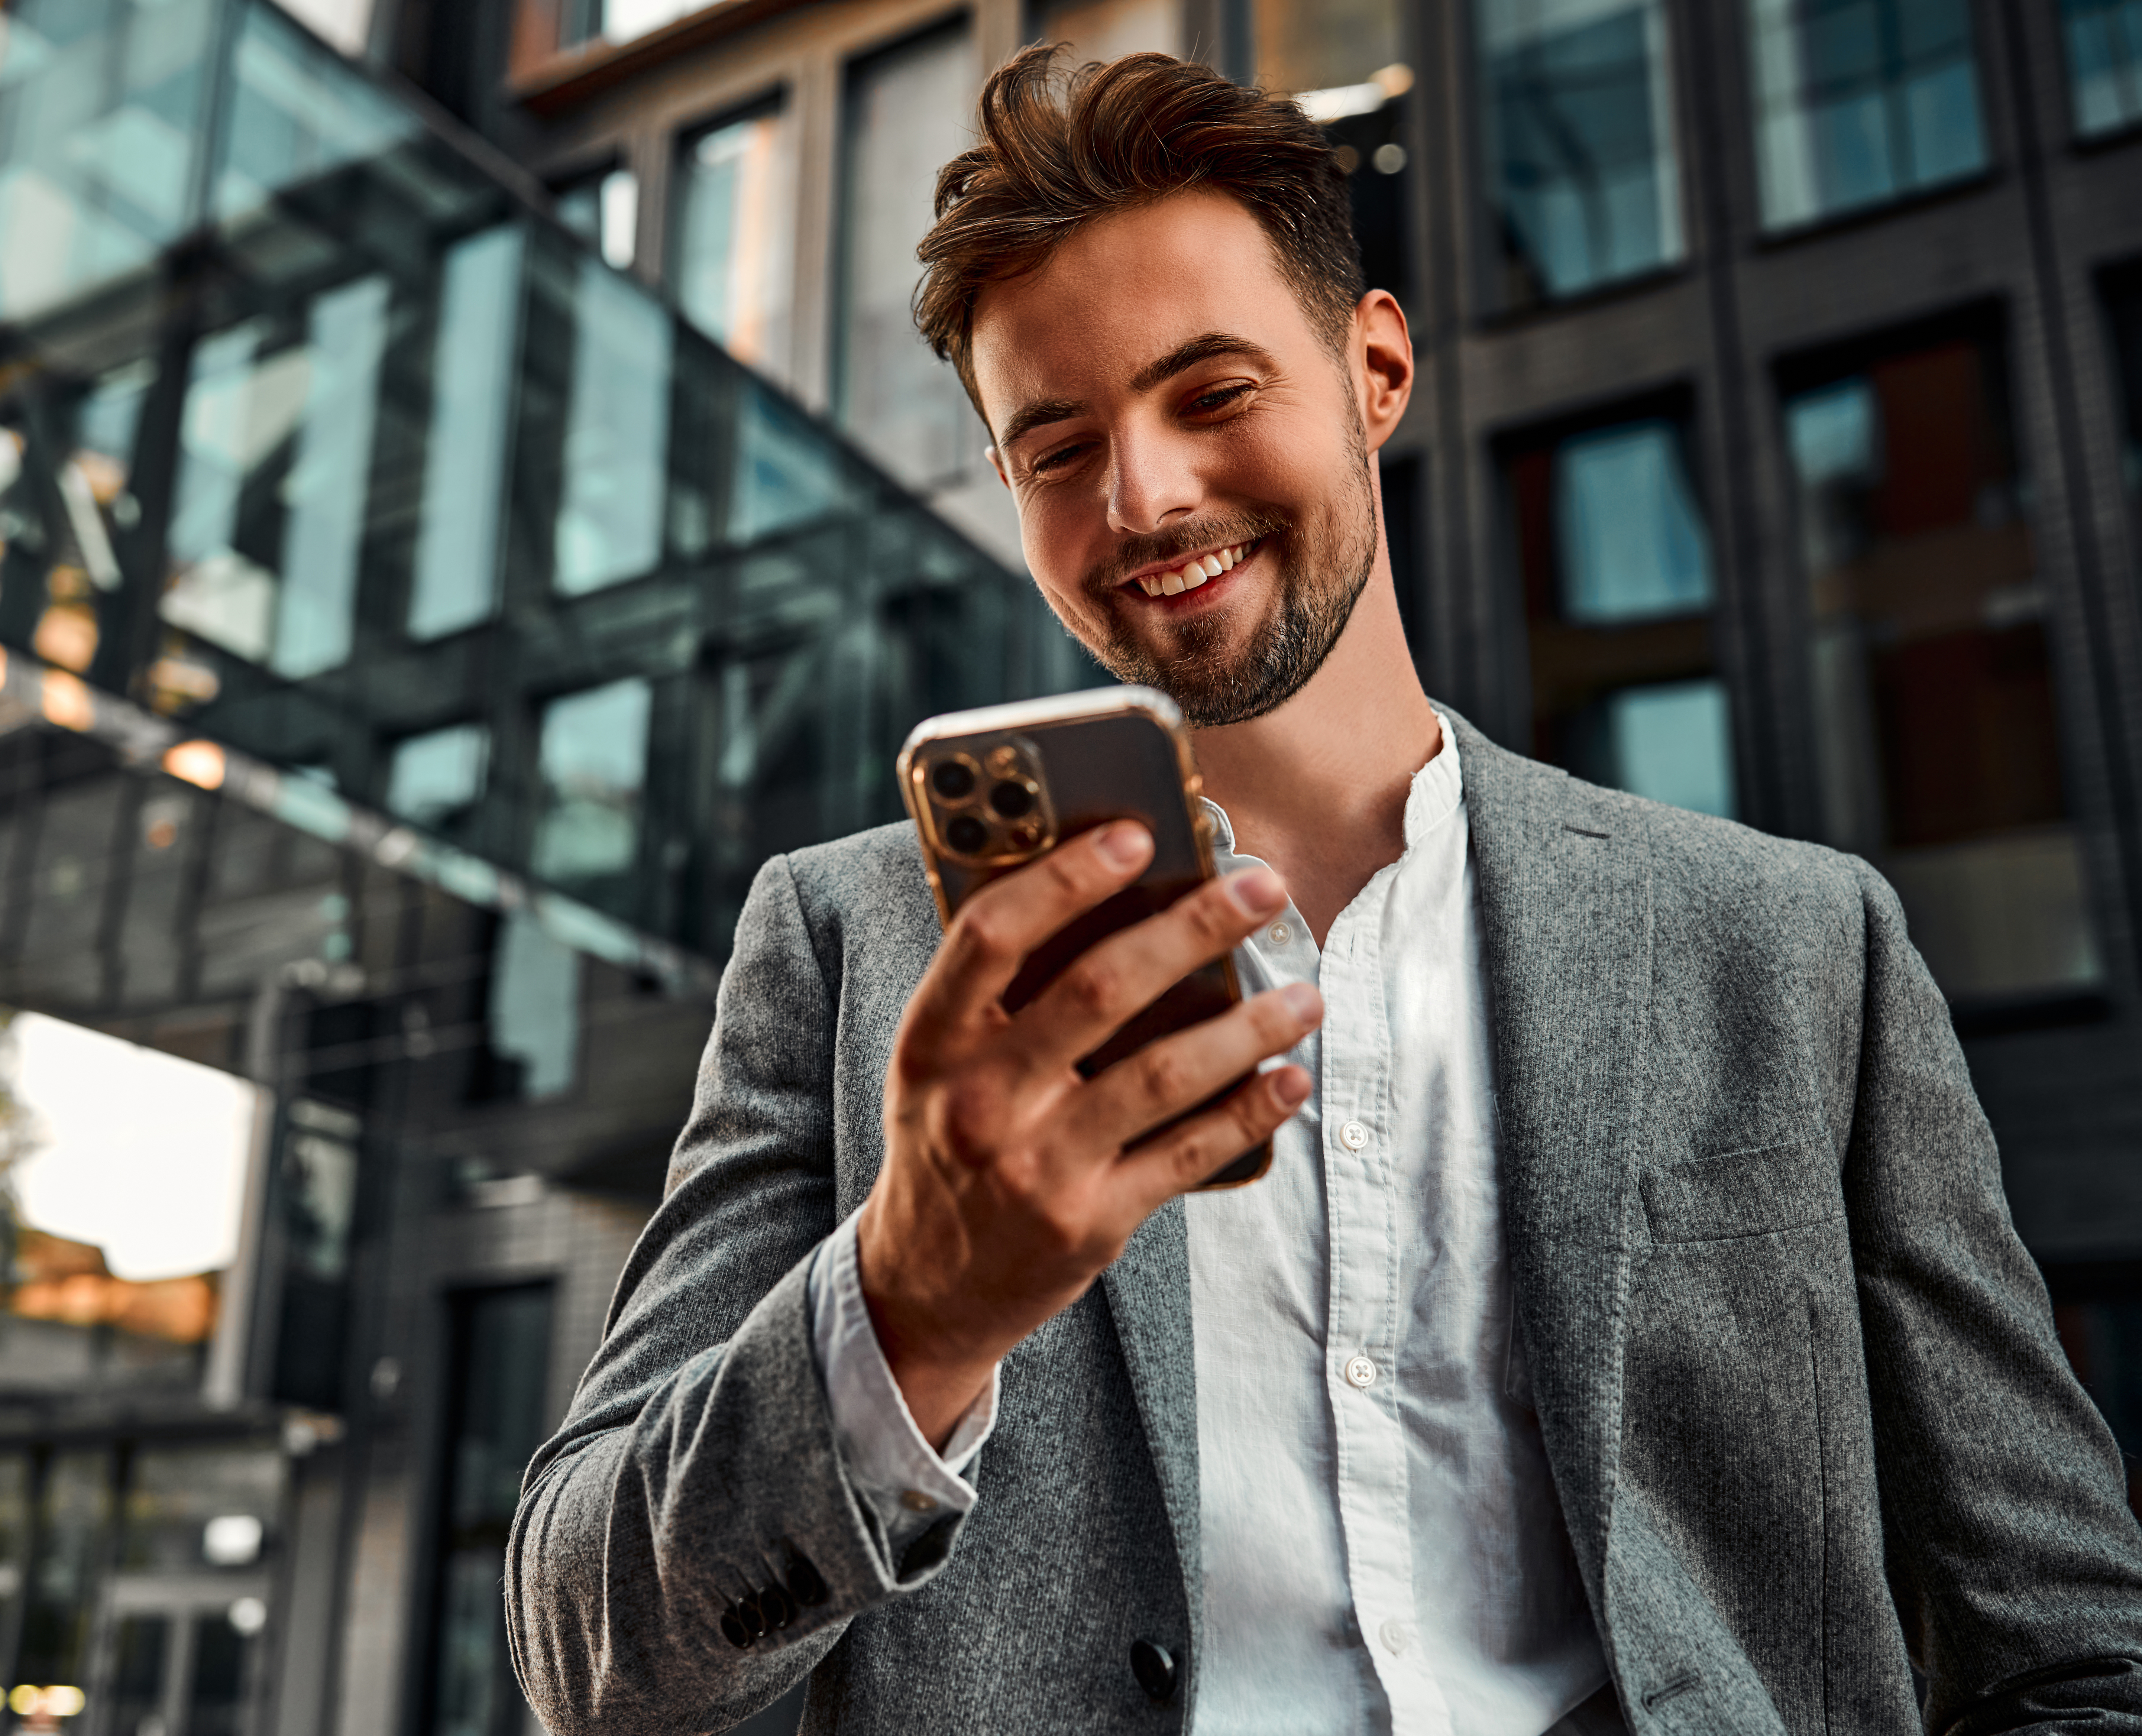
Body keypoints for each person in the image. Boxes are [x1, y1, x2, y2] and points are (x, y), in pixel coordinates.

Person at [507, 46, 2142, 1736]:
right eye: (1058, 448)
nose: (1144, 497)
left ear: (1375, 369)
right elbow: (585, 1654)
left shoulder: (1795, 947)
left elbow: (2073, 1653)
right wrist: (910, 1314)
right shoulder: (851, 947)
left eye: (1212, 394)